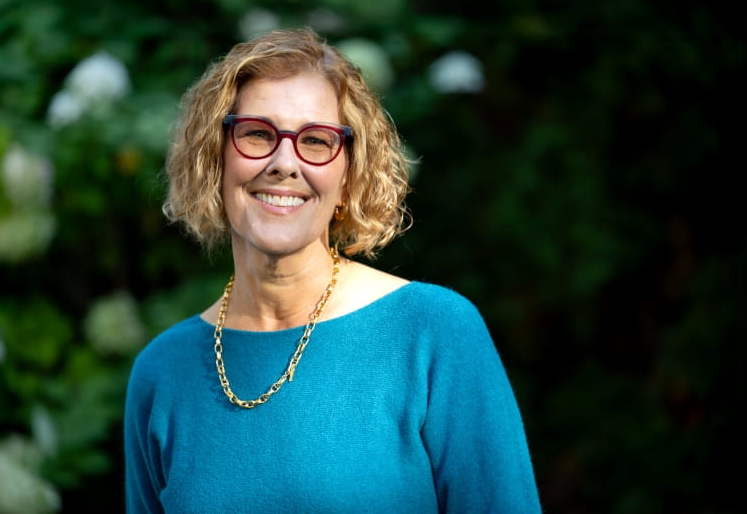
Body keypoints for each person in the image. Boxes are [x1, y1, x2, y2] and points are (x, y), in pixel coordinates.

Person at [124, 27, 541, 513]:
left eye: (316, 141)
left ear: (348, 177)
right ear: (214, 161)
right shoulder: (161, 372)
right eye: (257, 133)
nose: (284, 163)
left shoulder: (433, 331)